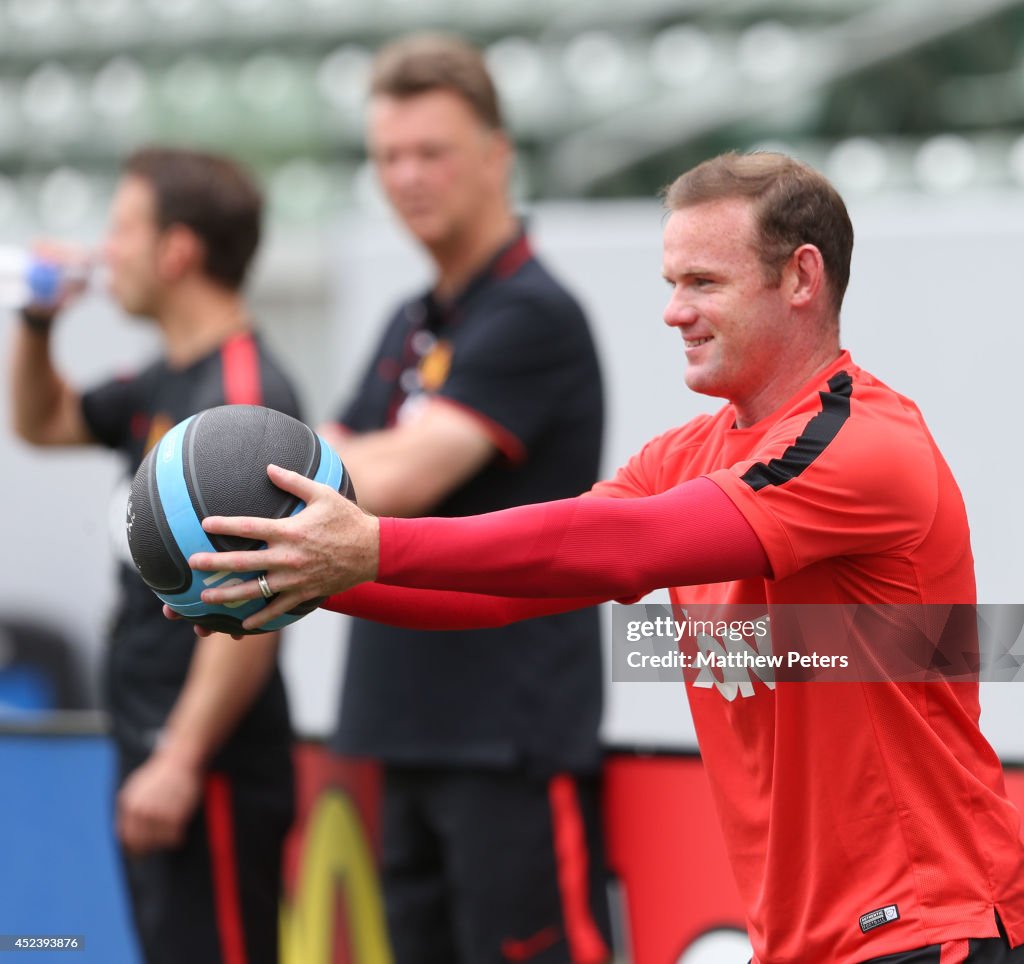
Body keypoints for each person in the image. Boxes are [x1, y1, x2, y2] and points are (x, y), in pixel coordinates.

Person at [190, 150, 1024, 963]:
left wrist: (368, 545)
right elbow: (515, 588)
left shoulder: (864, 446)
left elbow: (624, 549)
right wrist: (297, 575)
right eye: (671, 284)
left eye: (703, 282)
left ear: (802, 278)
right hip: (811, 941)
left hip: (927, 928)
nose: (673, 312)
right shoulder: (686, 455)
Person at [316, 34, 610, 964]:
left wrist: (297, 467)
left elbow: (392, 475)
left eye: (431, 152)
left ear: (497, 154)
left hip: (508, 738)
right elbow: (334, 455)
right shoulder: (412, 321)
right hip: (403, 726)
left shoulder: (533, 311)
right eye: (389, 157)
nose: (408, 176)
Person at [10, 147, 296, 964]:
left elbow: (260, 599)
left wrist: (179, 760)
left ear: (178, 251)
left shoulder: (243, 394)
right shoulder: (161, 378)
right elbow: (41, 423)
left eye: (122, 227)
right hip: (159, 750)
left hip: (207, 767)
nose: (105, 252)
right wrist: (38, 321)